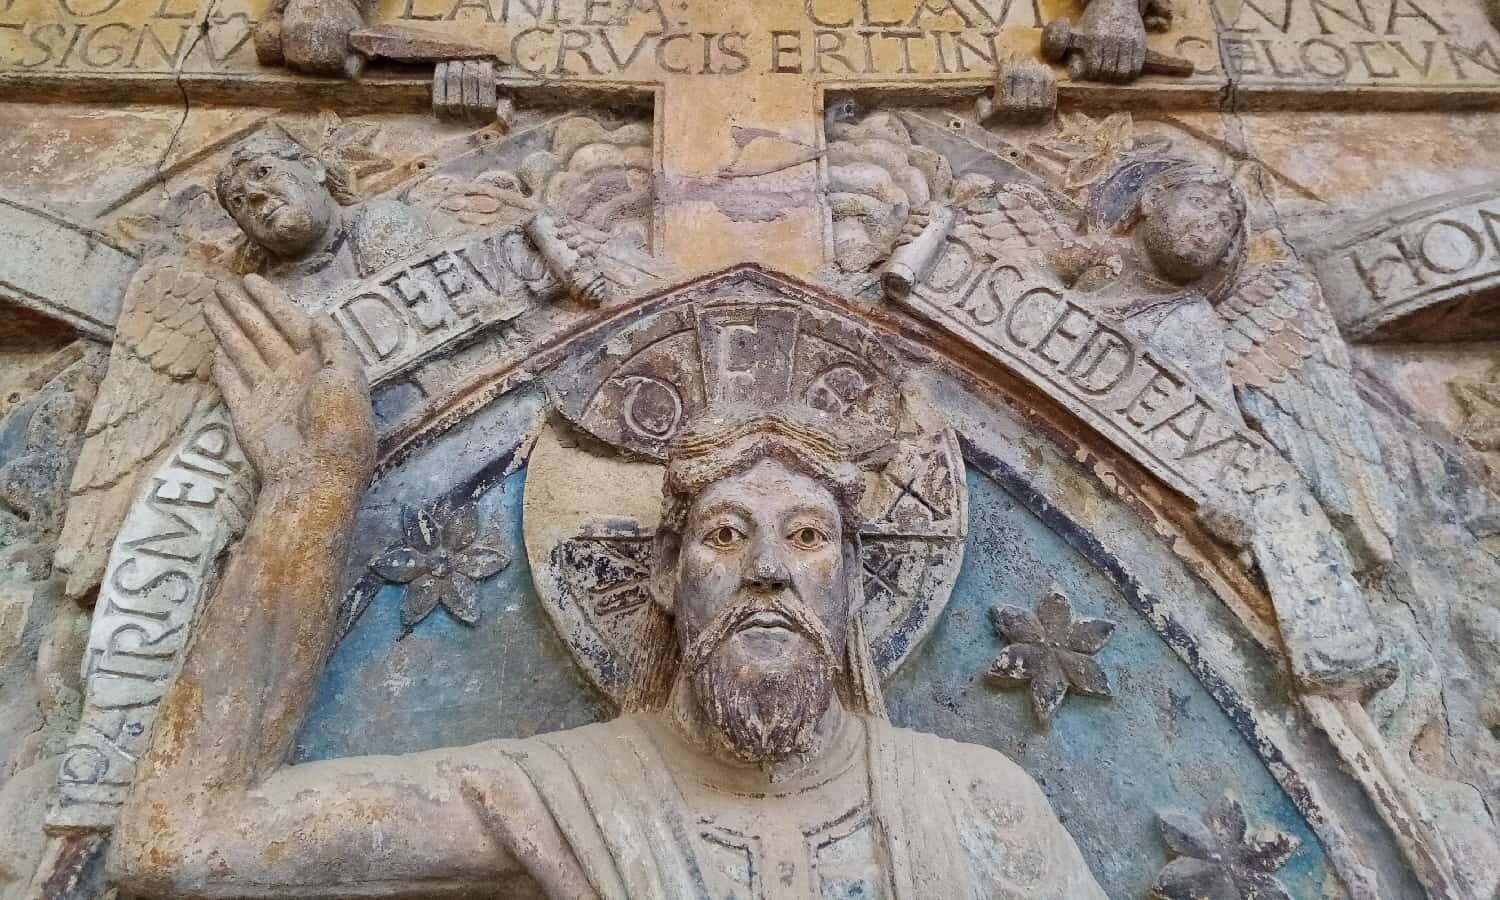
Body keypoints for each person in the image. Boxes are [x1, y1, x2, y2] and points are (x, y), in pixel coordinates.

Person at [108, 275, 1106, 899]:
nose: (767, 569)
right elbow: (181, 840)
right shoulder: (563, 797)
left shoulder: (977, 806)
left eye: (807, 536)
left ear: (856, 583)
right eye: (725, 533)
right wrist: (311, 492)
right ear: (669, 577)